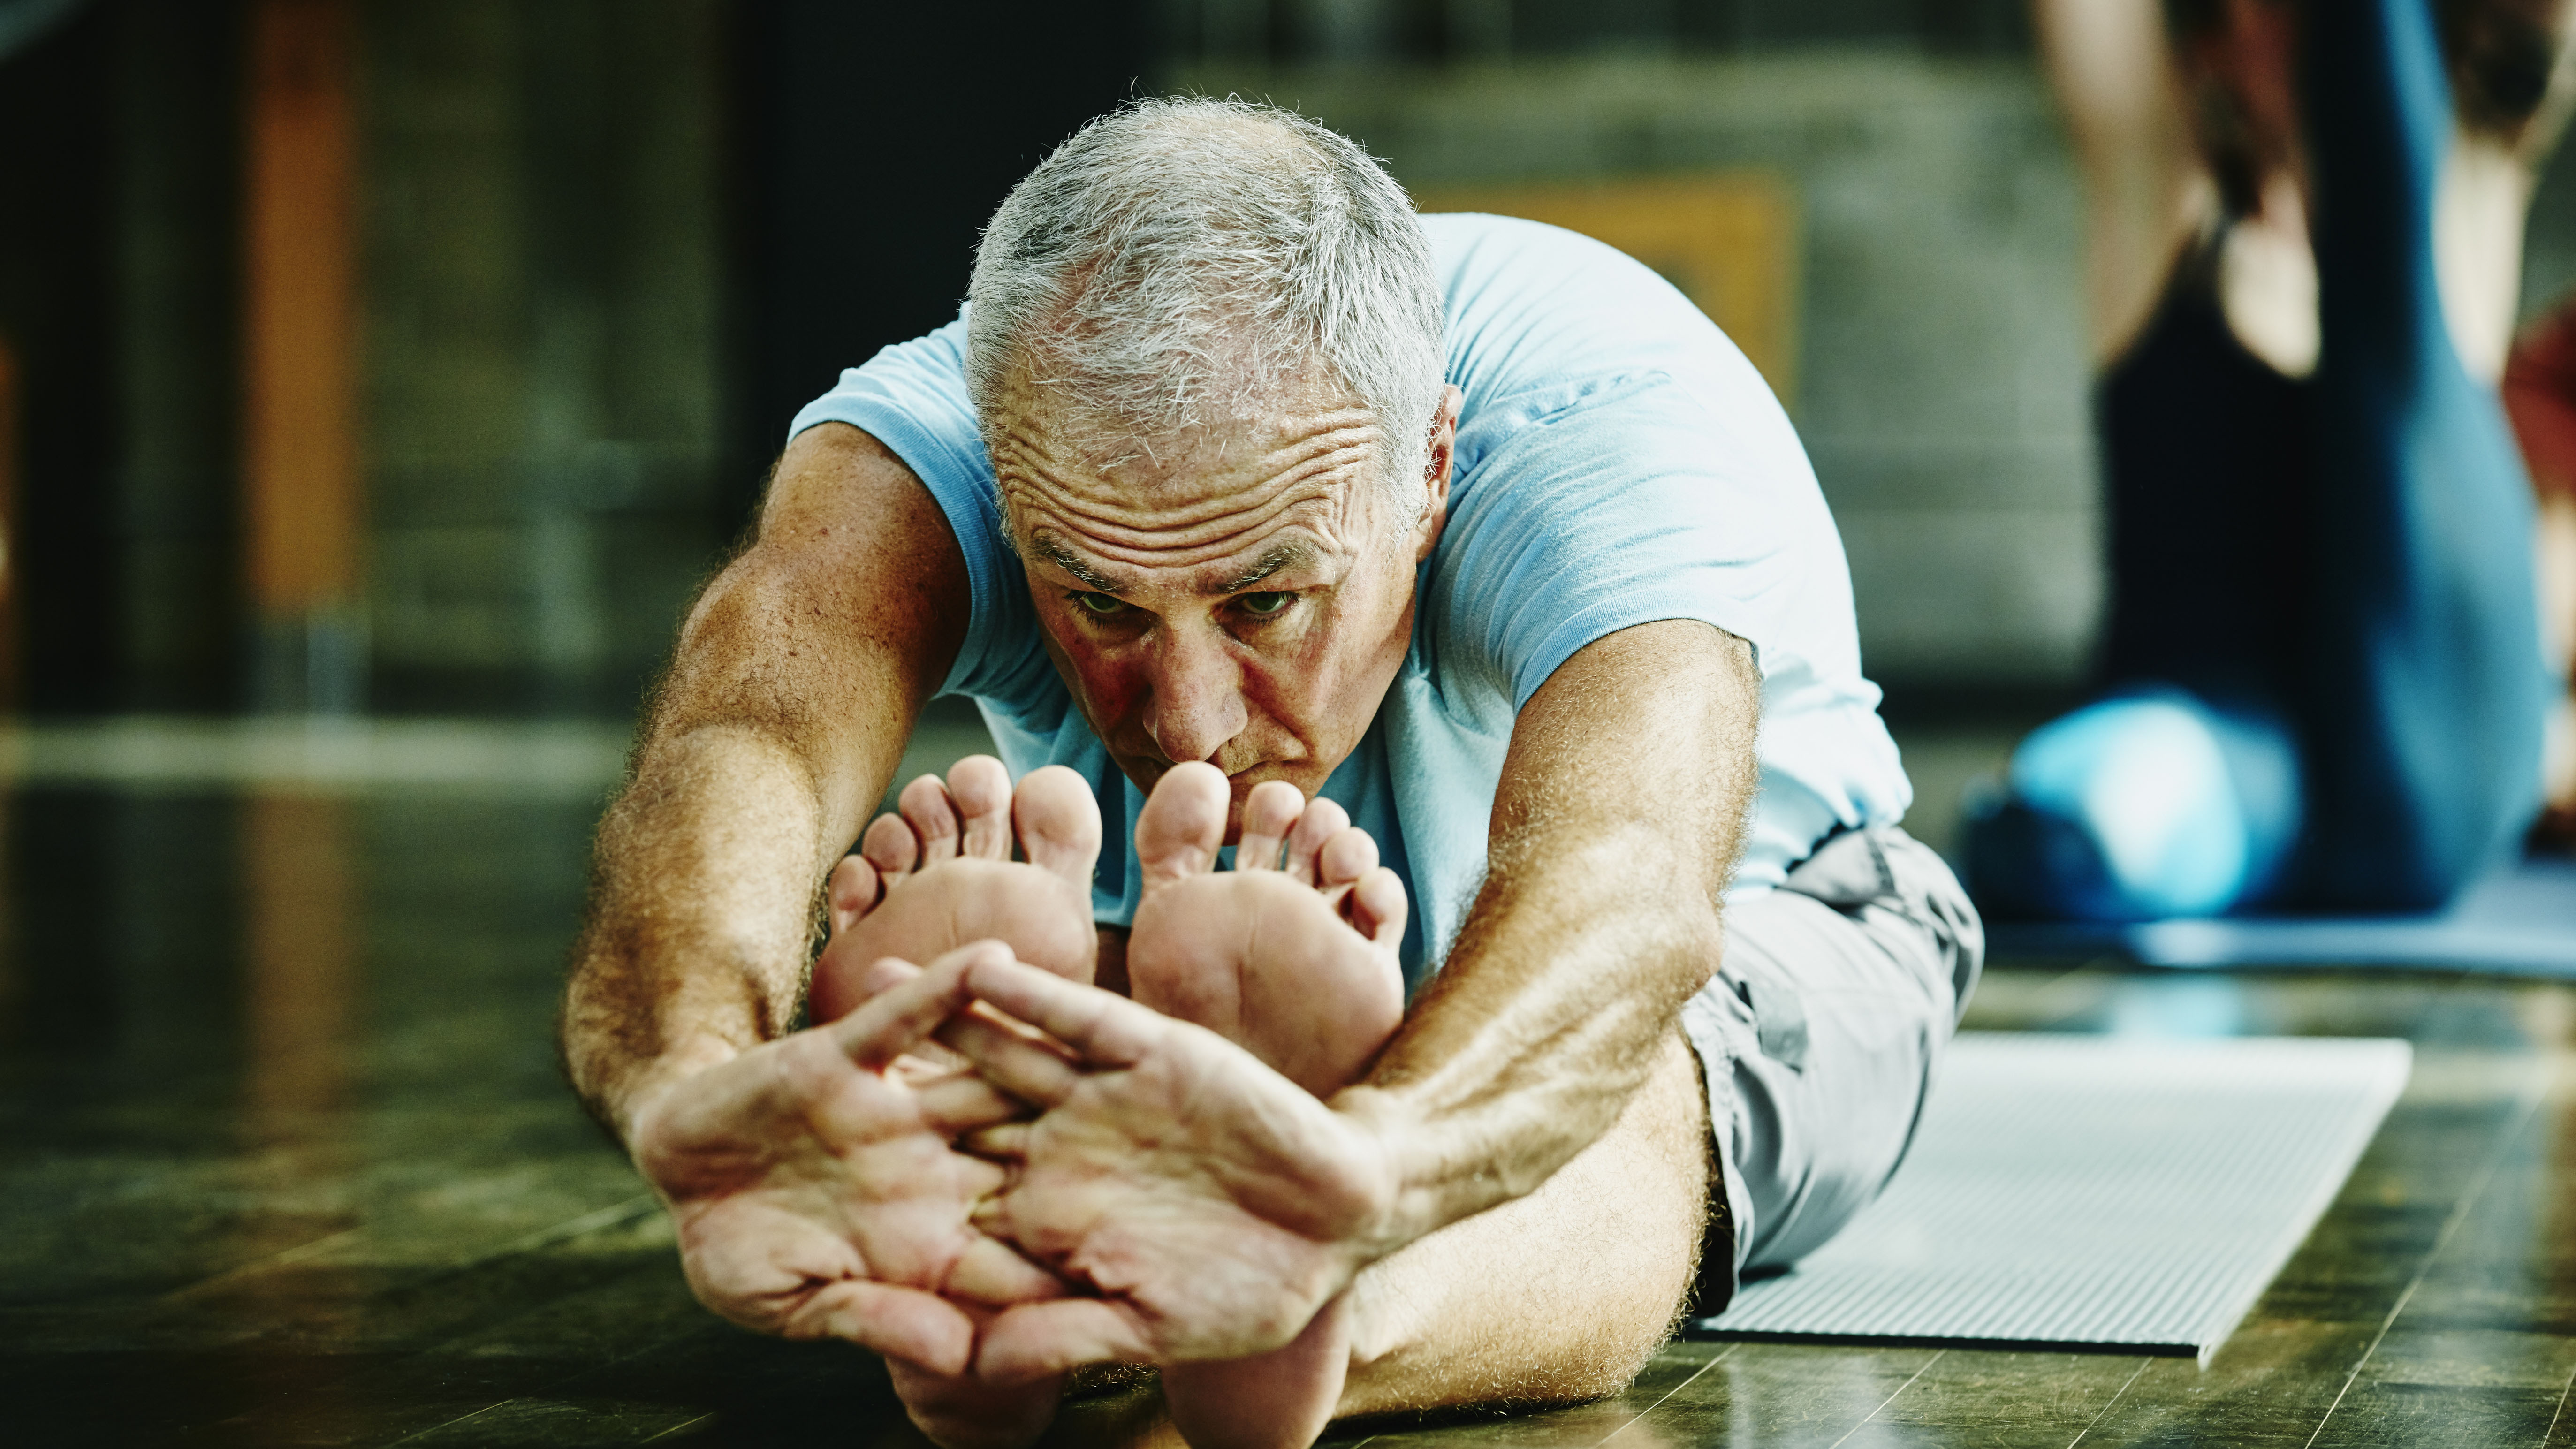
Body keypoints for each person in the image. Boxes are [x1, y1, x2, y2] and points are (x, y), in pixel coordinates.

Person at [557, 99, 1980, 1449]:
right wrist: (692, 1086)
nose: (1186, 724)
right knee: (1018, 1018)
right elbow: (744, 737)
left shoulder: (1593, 435)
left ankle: (1315, 1297)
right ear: (1007, 473)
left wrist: (1369, 1182)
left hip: (1759, 938)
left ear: (1427, 469)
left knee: (1647, 1083)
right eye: (1101, 608)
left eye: (1263, 603)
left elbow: (1627, 884)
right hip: (1225, 949)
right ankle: (1013, 1238)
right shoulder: (961, 430)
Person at [1969, 0, 2576, 921]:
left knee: (2393, 254)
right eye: (2240, 14)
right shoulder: (2161, 208)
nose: (2267, 35)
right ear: (2203, 49)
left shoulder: (2468, 196)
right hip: (2243, 747)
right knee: (2084, 817)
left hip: (2441, 738)